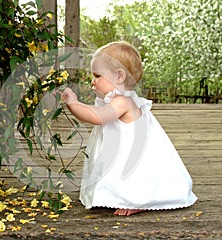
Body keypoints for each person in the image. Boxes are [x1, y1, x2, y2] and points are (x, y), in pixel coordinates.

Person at [61, 41, 197, 216]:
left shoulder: (123, 102)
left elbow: (97, 117)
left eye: (97, 76)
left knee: (134, 178)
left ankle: (138, 201)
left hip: (133, 158)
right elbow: (96, 111)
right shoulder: (118, 100)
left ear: (119, 76)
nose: (93, 82)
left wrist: (73, 103)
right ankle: (112, 195)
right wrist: (77, 105)